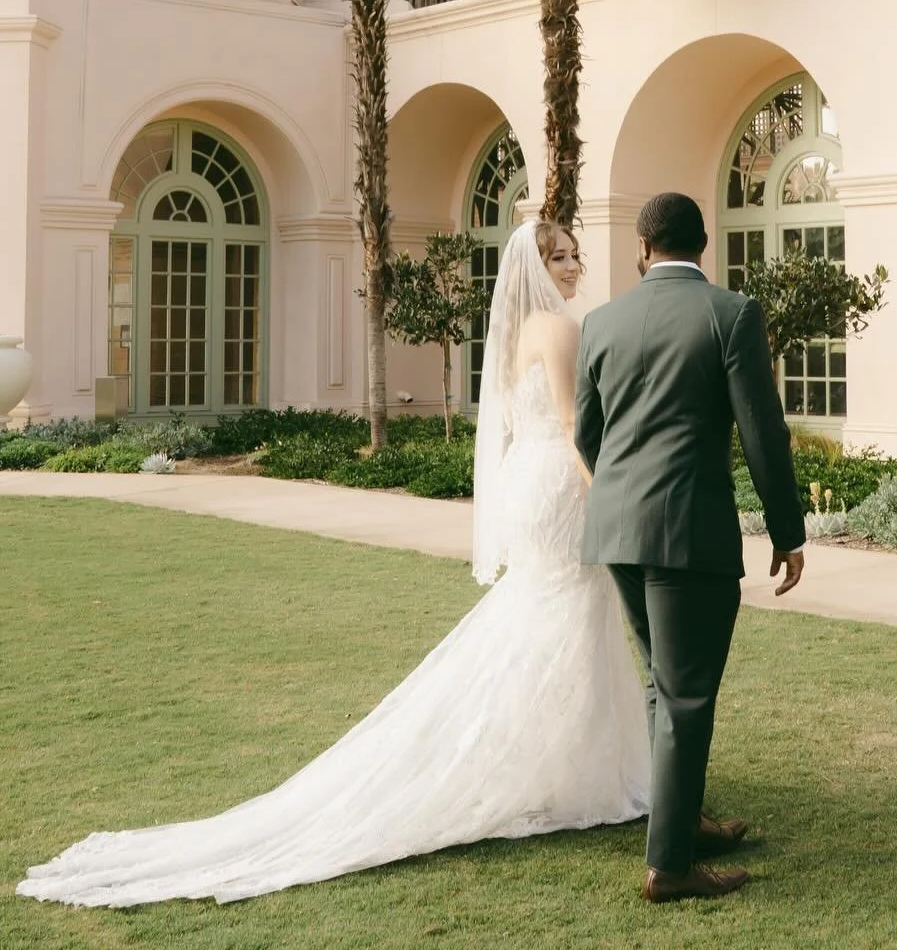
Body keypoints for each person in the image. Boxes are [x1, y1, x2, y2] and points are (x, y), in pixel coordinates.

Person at [18, 220, 649, 909]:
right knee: (564, 615)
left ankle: (559, 765)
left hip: (532, 482)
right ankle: (558, 770)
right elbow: (569, 424)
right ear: (533, 265)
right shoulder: (557, 330)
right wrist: (608, 492)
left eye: (575, 254)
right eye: (559, 256)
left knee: (552, 618)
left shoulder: (518, 334)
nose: (572, 265)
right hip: (559, 483)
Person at [575, 190, 807, 904]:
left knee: (662, 685)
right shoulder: (729, 314)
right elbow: (761, 432)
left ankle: (686, 821)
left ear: (642, 248)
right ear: (704, 245)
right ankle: (669, 865)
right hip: (687, 534)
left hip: (615, 528)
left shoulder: (602, 320)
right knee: (684, 694)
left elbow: (588, 434)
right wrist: (788, 530)